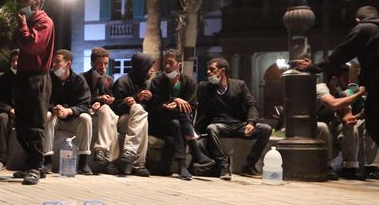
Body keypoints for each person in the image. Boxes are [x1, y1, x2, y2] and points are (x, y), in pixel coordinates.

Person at [321, 6, 379, 187]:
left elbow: (341, 53)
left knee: (374, 125)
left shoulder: (364, 29)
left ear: (358, 20)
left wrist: (316, 67)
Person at [195, 57, 272, 180]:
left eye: (212, 70)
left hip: (238, 124)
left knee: (265, 129)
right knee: (211, 128)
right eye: (208, 70)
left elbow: (252, 104)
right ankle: (223, 165)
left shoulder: (239, 85)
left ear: (222, 71)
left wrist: (251, 123)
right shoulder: (205, 87)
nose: (208, 72)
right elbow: (199, 109)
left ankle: (249, 166)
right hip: (219, 125)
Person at [148, 49, 214, 180]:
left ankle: (182, 165)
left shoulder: (189, 82)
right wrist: (175, 101)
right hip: (160, 123)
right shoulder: (157, 82)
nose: (167, 66)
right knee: (178, 118)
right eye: (165, 63)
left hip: (179, 124)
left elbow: (192, 106)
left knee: (176, 122)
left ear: (179, 64)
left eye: (170, 63)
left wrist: (177, 105)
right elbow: (155, 106)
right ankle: (194, 151)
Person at [12, 0, 55, 185]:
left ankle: (36, 167)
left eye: (25, 0)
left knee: (34, 124)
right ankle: (32, 163)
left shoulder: (44, 22)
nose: (22, 4)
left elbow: (32, 46)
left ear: (36, 2)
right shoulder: (29, 22)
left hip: (37, 78)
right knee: (21, 124)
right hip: (23, 76)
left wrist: (23, 26)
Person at [42, 49, 92, 175]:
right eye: (53, 62)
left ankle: (83, 163)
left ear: (68, 64)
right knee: (47, 116)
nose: (53, 65)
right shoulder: (48, 79)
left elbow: (86, 105)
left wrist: (69, 111)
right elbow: (41, 100)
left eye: (57, 62)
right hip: (55, 117)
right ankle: (47, 161)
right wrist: (53, 108)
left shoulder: (79, 81)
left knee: (86, 118)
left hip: (72, 118)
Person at [315, 65, 365, 180]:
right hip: (311, 129)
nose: (348, 81)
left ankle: (350, 168)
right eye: (345, 78)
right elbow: (333, 104)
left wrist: (351, 119)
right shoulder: (321, 88)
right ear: (334, 79)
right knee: (323, 127)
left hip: (331, 129)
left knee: (351, 126)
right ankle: (325, 166)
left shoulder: (342, 93)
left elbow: (346, 114)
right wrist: (359, 94)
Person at [109, 52, 153, 176]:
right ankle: (139, 164)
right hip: (122, 119)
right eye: (150, 67)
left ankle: (132, 154)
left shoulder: (148, 84)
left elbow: (150, 109)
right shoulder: (122, 82)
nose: (153, 70)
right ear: (142, 67)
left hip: (140, 119)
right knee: (138, 110)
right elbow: (115, 109)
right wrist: (134, 100)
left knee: (142, 119)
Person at [83, 47, 119, 174]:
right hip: (87, 111)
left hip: (104, 111)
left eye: (106, 63)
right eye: (100, 63)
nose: (103, 67)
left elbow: (110, 99)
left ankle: (103, 155)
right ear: (92, 63)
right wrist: (99, 99)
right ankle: (108, 159)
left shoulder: (109, 79)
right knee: (108, 113)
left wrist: (109, 99)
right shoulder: (83, 78)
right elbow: (82, 98)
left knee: (112, 117)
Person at [0, 49, 18, 171]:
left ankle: (32, 161)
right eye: (13, 60)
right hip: (8, 113)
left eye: (19, 60)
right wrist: (10, 110)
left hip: (26, 114)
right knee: (1, 119)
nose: (16, 63)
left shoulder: (30, 78)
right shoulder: (4, 79)